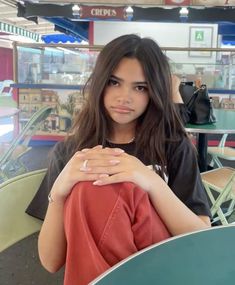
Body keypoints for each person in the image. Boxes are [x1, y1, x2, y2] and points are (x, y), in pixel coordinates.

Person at [27, 34, 211, 285]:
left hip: (163, 267)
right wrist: (59, 192)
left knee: (106, 188)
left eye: (140, 87)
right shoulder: (73, 152)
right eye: (114, 82)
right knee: (86, 189)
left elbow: (201, 238)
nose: (125, 97)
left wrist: (150, 181)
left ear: (154, 93)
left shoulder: (172, 146)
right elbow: (50, 261)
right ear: (100, 83)